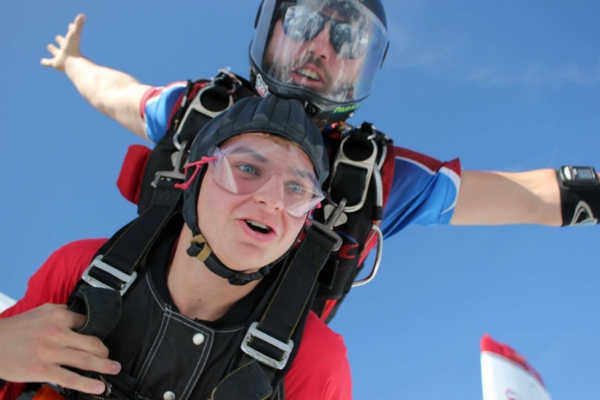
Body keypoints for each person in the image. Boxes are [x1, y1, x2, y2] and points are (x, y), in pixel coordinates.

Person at [39, 2, 598, 312]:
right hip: (122, 321)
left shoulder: (372, 178)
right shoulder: (199, 112)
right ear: (271, 28)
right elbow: (117, 93)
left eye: (350, 41)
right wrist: (72, 63)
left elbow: (534, 197)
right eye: (306, 25)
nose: (323, 49)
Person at [0, 96, 352, 400]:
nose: (273, 199)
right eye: (247, 168)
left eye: (296, 189)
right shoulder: (80, 268)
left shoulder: (315, 360)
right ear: (195, 175)